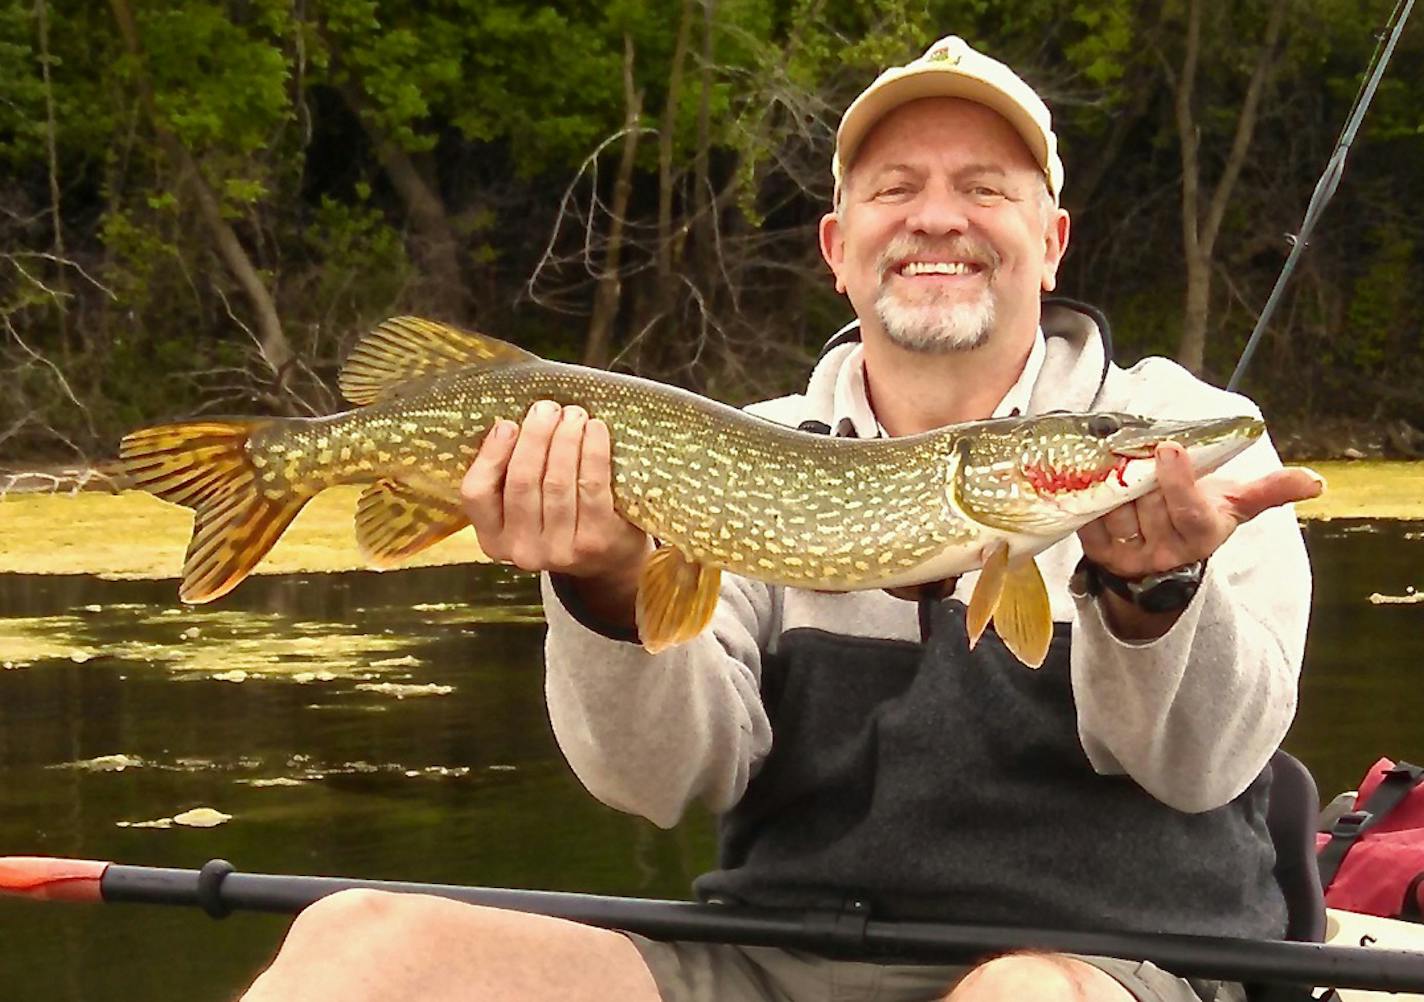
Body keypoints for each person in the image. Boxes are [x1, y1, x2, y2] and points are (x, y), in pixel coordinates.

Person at [239, 35, 1324, 1002]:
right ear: (835, 245)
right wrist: (603, 589)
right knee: (356, 943)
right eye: (894, 187)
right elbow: (660, 786)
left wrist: (1150, 595)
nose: (936, 215)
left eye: (984, 188)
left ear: (1050, 240)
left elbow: (1204, 770)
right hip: (774, 959)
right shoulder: (748, 445)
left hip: (1103, 962)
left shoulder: (1177, 435)